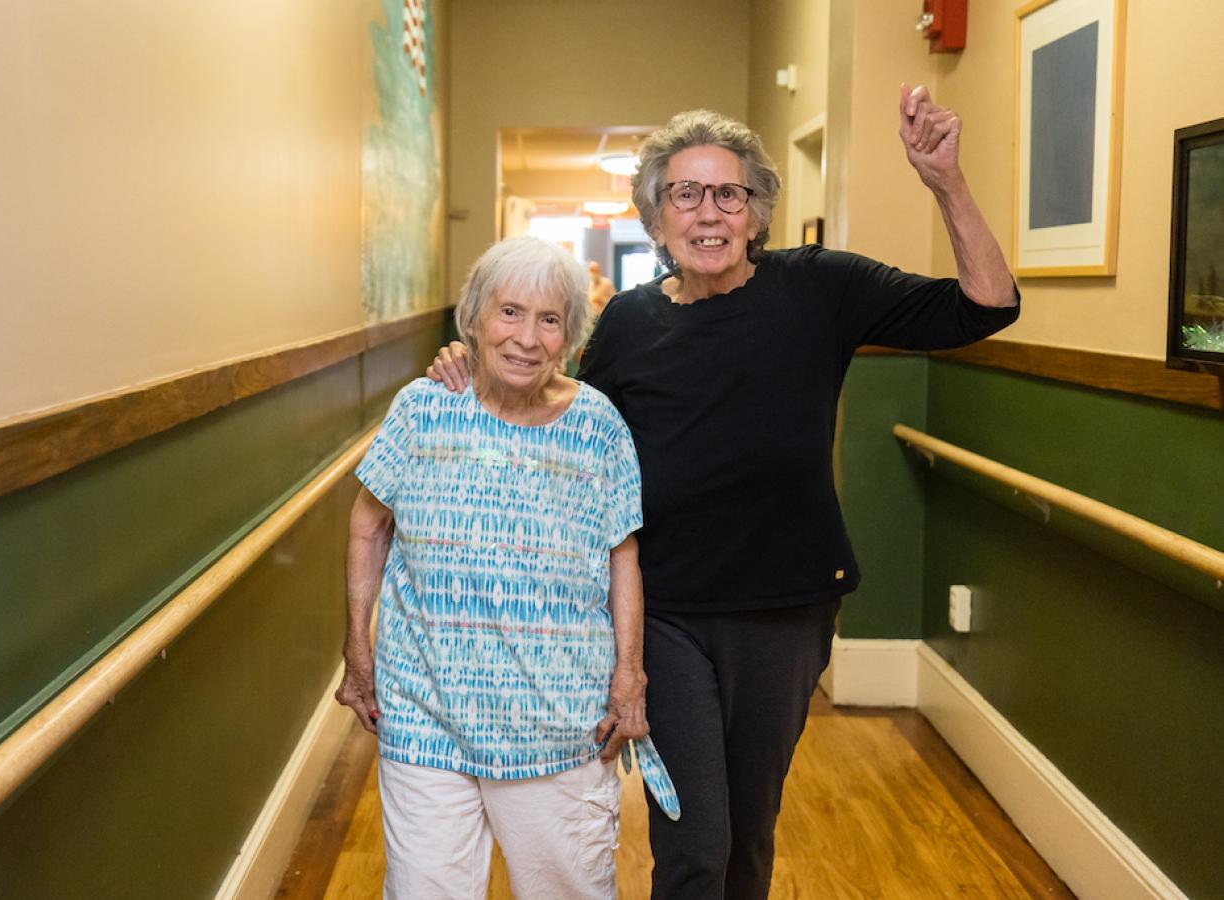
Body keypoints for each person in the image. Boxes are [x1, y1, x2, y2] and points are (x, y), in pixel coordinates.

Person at [427, 86, 1019, 898]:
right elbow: (556, 421)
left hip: (785, 608)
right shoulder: (630, 323)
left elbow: (986, 306)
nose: (708, 213)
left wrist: (944, 181)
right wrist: (467, 380)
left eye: (728, 194)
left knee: (747, 839)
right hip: (665, 609)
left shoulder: (820, 287)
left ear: (755, 212)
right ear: (656, 217)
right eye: (685, 194)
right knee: (695, 840)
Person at [338, 236, 677, 899]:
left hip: (558, 721)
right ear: (473, 320)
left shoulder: (598, 426)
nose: (526, 337)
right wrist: (357, 646)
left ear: (570, 336)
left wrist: (628, 676)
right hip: (424, 712)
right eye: (509, 312)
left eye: (549, 319)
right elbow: (367, 522)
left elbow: (622, 553)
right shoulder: (425, 407)